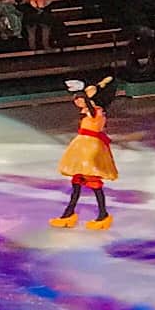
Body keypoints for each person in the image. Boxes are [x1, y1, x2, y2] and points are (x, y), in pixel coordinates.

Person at [50, 76, 118, 230]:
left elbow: (91, 103)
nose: (76, 101)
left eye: (79, 99)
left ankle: (103, 215)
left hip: (90, 150)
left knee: (93, 184)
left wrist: (88, 91)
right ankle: (68, 214)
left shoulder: (97, 112)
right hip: (82, 149)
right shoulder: (88, 112)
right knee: (76, 184)